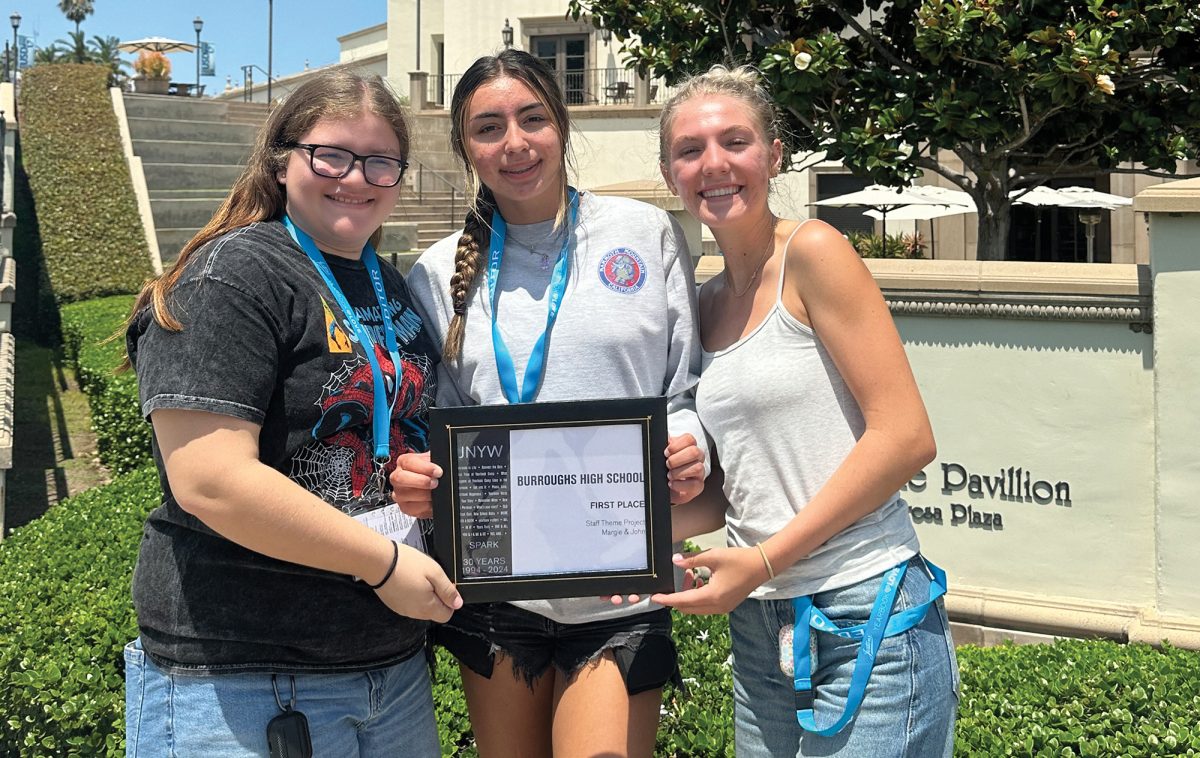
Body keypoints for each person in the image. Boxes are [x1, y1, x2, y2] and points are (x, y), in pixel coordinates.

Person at [121, 70, 460, 757]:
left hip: (388, 670)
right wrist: (386, 566)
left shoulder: (385, 279)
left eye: (380, 161)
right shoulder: (235, 276)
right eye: (331, 155)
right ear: (282, 161)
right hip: (248, 679)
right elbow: (210, 480)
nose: (356, 178)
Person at [390, 49, 708, 758]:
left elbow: (680, 388)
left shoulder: (642, 233)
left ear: (561, 127)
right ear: (465, 148)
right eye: (488, 127)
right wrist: (418, 478)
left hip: (619, 586)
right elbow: (431, 426)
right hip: (497, 592)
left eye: (532, 118)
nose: (515, 143)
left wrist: (690, 443)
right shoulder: (436, 272)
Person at [654, 66, 959, 756]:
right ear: (672, 173)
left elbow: (906, 437)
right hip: (763, 627)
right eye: (690, 150)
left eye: (736, 141)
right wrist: (598, 541)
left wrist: (760, 561)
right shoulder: (702, 306)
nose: (715, 163)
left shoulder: (814, 253)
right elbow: (739, 490)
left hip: (867, 614)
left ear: (775, 154)